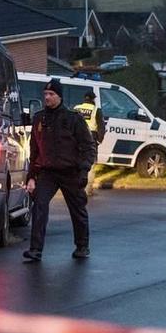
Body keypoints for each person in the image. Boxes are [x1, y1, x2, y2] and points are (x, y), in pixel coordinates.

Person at [23, 78, 96, 262]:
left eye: (51, 94)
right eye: (45, 94)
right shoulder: (40, 118)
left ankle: (82, 246)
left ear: (59, 97)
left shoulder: (73, 119)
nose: (47, 97)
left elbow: (88, 147)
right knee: (39, 206)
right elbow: (34, 150)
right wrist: (31, 176)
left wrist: (83, 170)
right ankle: (35, 250)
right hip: (48, 172)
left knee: (77, 209)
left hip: (70, 171)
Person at [74, 91, 106, 195]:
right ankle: (87, 190)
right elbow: (101, 126)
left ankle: (74, 188)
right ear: (93, 99)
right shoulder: (96, 110)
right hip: (91, 138)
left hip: (76, 138)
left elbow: (69, 124)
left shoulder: (76, 108)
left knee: (76, 163)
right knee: (90, 165)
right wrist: (99, 140)